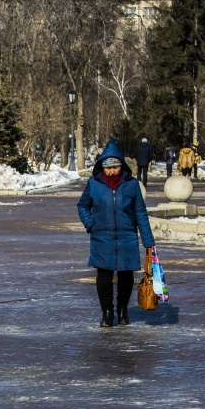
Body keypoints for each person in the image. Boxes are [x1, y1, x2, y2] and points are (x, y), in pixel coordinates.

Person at [76, 140, 156, 328]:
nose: (111, 171)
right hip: (101, 237)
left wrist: (148, 241)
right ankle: (107, 312)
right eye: (108, 167)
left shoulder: (132, 185)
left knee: (126, 277)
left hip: (126, 237)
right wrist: (90, 224)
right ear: (102, 167)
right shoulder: (94, 183)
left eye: (115, 167)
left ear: (121, 165)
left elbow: (140, 213)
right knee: (103, 277)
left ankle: (122, 310)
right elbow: (82, 206)